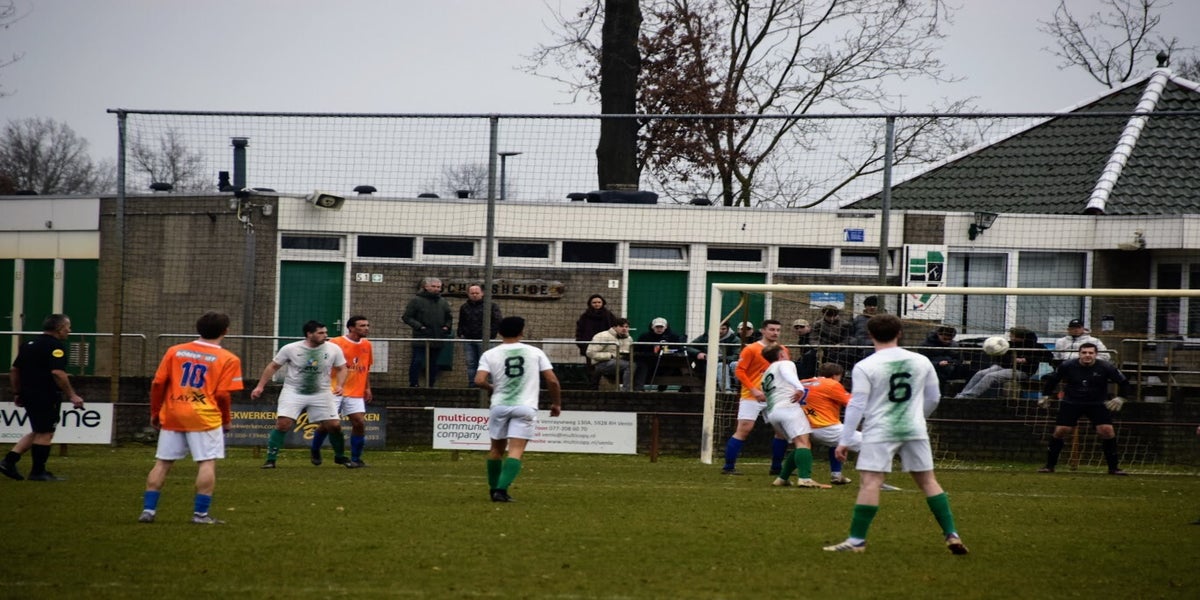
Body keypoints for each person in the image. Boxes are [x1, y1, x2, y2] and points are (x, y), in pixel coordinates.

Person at [824, 314, 967, 555]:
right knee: (928, 481)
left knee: (871, 482)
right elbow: (934, 397)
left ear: (870, 335)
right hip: (914, 427)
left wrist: (845, 440)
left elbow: (857, 404)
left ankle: (857, 541)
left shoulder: (865, 365)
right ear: (899, 333)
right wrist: (919, 416)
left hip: (880, 428)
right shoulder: (921, 361)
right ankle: (951, 534)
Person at [139, 311, 244, 525]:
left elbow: (158, 384)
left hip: (174, 413)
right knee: (206, 462)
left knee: (162, 463)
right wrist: (226, 419)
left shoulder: (175, 351)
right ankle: (200, 515)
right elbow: (223, 395)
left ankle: (148, 511)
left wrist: (155, 412)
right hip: (204, 417)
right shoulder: (229, 359)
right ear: (225, 331)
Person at [475, 316, 562, 502]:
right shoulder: (535, 352)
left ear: (499, 333)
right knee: (516, 450)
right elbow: (552, 380)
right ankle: (501, 490)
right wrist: (556, 403)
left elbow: (479, 380)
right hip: (525, 406)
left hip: (499, 405)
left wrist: (492, 388)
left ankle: (493, 489)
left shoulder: (489, 354)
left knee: (496, 449)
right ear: (521, 332)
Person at [251, 320, 348, 469]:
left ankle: (340, 457)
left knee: (334, 425)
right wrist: (260, 386)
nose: (325, 335)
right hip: (293, 391)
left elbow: (342, 368)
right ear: (309, 334)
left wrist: (340, 385)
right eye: (321, 333)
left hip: (321, 392)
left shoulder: (333, 349)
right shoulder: (290, 348)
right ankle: (271, 460)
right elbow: (273, 366)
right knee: (283, 424)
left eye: (326, 332)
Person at [0, 314, 84, 482]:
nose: (69, 330)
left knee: (39, 430)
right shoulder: (56, 347)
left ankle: (9, 461)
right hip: (46, 394)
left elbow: (14, 370)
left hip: (29, 393)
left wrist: (17, 392)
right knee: (46, 433)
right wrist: (72, 395)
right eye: (68, 327)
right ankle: (38, 472)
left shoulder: (28, 344)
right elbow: (57, 372)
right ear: (59, 329)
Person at [1037, 342, 1132, 475]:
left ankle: (1114, 468)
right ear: (1079, 354)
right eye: (1084, 353)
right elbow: (1053, 380)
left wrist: (1121, 397)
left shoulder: (1106, 367)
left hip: (1097, 403)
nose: (1087, 355)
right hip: (1072, 402)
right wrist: (1046, 395)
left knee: (1106, 431)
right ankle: (1049, 466)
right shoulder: (1067, 365)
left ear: (1096, 354)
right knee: (1061, 431)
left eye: (1091, 353)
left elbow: (1124, 382)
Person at [723, 320, 790, 475]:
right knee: (744, 429)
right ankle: (728, 466)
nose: (775, 333)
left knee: (781, 431)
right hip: (752, 395)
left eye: (778, 330)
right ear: (763, 331)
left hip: (774, 396)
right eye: (772, 329)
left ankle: (776, 468)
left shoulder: (783, 350)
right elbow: (740, 371)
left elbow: (786, 372)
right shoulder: (751, 349)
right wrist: (753, 390)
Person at [760, 344, 830, 489]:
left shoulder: (766, 373)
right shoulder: (785, 363)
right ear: (781, 355)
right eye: (786, 352)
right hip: (788, 407)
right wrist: (799, 388)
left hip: (773, 412)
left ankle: (782, 478)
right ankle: (805, 479)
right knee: (803, 443)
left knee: (800, 444)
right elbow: (788, 374)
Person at [312, 316, 373, 468]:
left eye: (367, 325)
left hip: (356, 390)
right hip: (334, 389)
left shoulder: (367, 344)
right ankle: (315, 449)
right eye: (362, 325)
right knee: (329, 424)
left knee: (359, 423)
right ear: (351, 328)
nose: (366, 328)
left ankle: (356, 459)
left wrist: (367, 388)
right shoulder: (336, 342)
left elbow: (366, 368)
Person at [955, 327, 1049, 398]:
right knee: (981, 373)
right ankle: (962, 394)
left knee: (991, 376)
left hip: (1022, 371)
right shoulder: (1008, 344)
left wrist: (1026, 360)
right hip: (1003, 367)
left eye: (1012, 335)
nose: (1010, 337)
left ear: (1021, 337)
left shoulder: (1037, 346)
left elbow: (1048, 357)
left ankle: (969, 396)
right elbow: (1003, 359)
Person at [402, 277, 453, 387]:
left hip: (437, 336)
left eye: (438, 287)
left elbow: (449, 318)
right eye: (433, 286)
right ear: (426, 287)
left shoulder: (443, 302)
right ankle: (413, 384)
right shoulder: (416, 301)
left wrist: (446, 327)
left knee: (433, 362)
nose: (436, 289)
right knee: (417, 360)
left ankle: (431, 385)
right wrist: (420, 327)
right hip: (421, 336)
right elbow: (407, 317)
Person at [458, 284, 502, 387]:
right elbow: (462, 321)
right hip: (468, 339)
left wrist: (490, 335)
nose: (474, 295)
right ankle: (472, 385)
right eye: (472, 293)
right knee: (471, 363)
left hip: (485, 339)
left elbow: (497, 321)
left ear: (482, 293)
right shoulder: (464, 307)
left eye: (477, 293)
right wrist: (461, 332)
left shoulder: (491, 306)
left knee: (488, 363)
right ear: (468, 294)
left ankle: (488, 385)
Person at [633, 317, 686, 390]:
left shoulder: (673, 336)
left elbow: (679, 349)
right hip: (649, 362)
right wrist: (651, 349)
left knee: (677, 366)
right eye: (657, 327)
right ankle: (639, 389)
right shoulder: (644, 337)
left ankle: (664, 387)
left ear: (666, 327)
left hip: (668, 362)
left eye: (661, 327)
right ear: (652, 327)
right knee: (641, 365)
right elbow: (638, 350)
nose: (659, 329)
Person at [687, 321, 740, 391]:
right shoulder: (705, 337)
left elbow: (736, 355)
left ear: (728, 329)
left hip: (728, 362)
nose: (720, 331)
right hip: (707, 363)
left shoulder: (734, 339)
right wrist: (698, 353)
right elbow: (689, 347)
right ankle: (726, 390)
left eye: (723, 329)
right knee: (721, 365)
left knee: (735, 364)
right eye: (718, 328)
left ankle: (739, 387)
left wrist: (720, 359)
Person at [586, 318, 633, 390]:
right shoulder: (602, 336)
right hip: (601, 363)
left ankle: (638, 388)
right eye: (621, 326)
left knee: (639, 365)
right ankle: (626, 391)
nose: (624, 329)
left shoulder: (629, 338)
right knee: (630, 365)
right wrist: (610, 356)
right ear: (614, 327)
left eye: (626, 327)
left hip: (620, 362)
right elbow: (590, 352)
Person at [919, 325, 969, 392]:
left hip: (951, 368)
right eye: (945, 339)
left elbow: (959, 359)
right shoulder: (926, 345)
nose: (947, 341)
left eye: (950, 339)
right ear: (938, 334)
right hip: (935, 369)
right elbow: (923, 361)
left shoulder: (954, 345)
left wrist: (952, 363)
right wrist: (938, 364)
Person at [574, 294, 618, 361]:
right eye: (594, 302)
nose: (597, 304)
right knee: (591, 364)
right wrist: (581, 343)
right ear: (590, 304)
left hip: (606, 345)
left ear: (603, 303)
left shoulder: (609, 315)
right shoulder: (585, 316)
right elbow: (580, 330)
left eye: (599, 302)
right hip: (589, 345)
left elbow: (614, 328)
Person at [811, 305, 852, 370]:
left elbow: (847, 338)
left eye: (834, 316)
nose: (832, 319)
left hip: (840, 349)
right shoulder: (818, 324)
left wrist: (841, 345)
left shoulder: (845, 324)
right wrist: (818, 348)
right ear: (824, 315)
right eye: (829, 316)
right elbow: (814, 339)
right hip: (823, 348)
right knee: (810, 356)